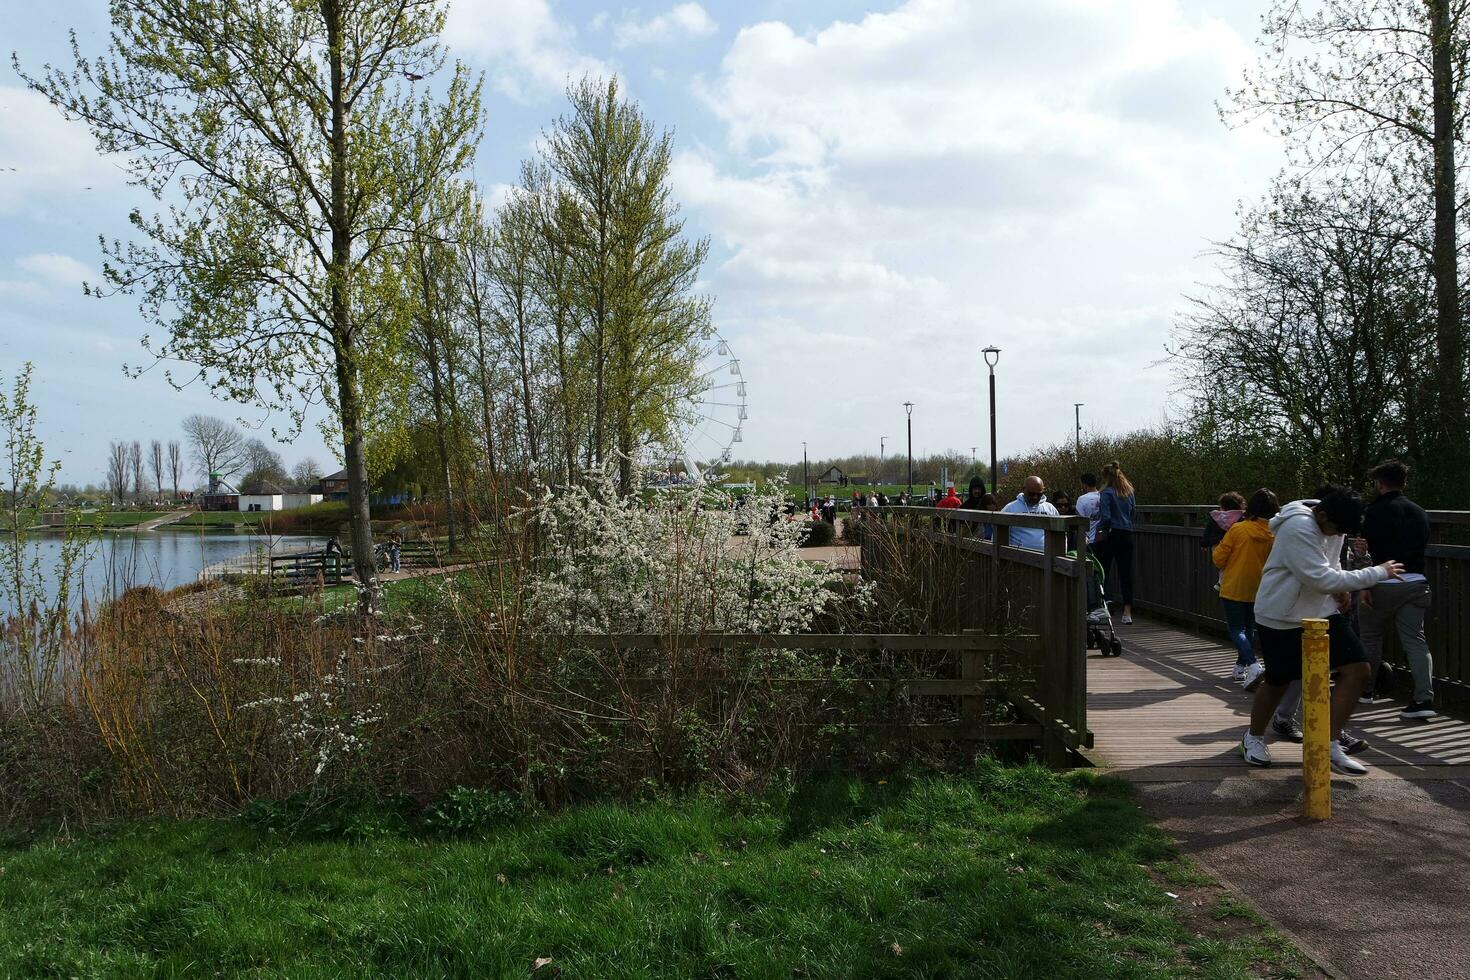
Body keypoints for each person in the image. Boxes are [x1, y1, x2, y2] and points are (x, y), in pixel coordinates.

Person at [1238, 487, 1404, 774]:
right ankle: (1252, 738)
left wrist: (1339, 591)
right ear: (1322, 514)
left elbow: (1330, 563)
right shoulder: (1297, 527)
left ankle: (1329, 743)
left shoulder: (1334, 523)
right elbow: (1319, 577)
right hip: (1281, 615)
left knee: (1359, 669)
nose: (1334, 534)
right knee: (1278, 681)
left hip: (1321, 611)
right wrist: (1377, 573)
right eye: (1334, 529)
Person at [1358, 460, 1436, 721]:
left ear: (1380, 483)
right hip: (1416, 583)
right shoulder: (1419, 512)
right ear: (1404, 483)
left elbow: (1367, 551)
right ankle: (1424, 697)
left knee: (1370, 636)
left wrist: (1365, 585)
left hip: (1383, 582)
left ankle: (1366, 691)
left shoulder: (1373, 512)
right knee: (1415, 641)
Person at [1213, 489, 1278, 687]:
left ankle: (1252, 664)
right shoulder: (1274, 534)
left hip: (1234, 586)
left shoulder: (1238, 530)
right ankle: (1240, 668)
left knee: (1236, 629)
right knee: (1250, 628)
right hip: (1260, 587)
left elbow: (1218, 559)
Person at [1095, 461, 1137, 625]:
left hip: (1111, 534)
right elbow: (1133, 511)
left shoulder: (1106, 493)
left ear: (1106, 477)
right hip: (1127, 534)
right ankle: (1127, 612)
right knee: (1126, 574)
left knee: (1103, 571)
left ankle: (1104, 605)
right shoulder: (1129, 492)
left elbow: (1105, 517)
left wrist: (1100, 529)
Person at [999, 475, 1060, 550]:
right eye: (1031, 494)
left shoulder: (1050, 508)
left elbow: (1060, 533)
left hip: (1046, 558)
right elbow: (998, 533)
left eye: (1039, 494)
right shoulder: (1010, 508)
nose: (1035, 497)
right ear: (1023, 489)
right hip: (1017, 557)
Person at [1075, 473, 1102, 549]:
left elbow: (1079, 520)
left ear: (1084, 484)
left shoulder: (1082, 499)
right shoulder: (1103, 496)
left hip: (1088, 539)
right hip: (1103, 538)